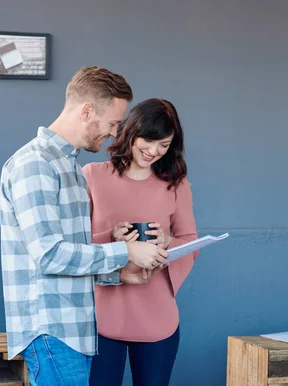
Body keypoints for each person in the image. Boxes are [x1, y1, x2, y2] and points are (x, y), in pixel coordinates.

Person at [0, 67, 168, 386]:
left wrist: (118, 273)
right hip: (52, 332)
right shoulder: (36, 164)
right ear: (87, 111)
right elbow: (48, 255)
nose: (116, 134)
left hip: (73, 332)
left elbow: (70, 256)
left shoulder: (71, 169)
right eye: (113, 123)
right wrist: (125, 250)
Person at [83, 98, 199, 386]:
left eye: (164, 144)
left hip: (157, 317)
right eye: (148, 140)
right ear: (131, 133)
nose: (154, 151)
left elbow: (190, 241)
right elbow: (75, 246)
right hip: (100, 316)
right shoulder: (93, 177)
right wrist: (111, 239)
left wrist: (167, 242)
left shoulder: (177, 184)